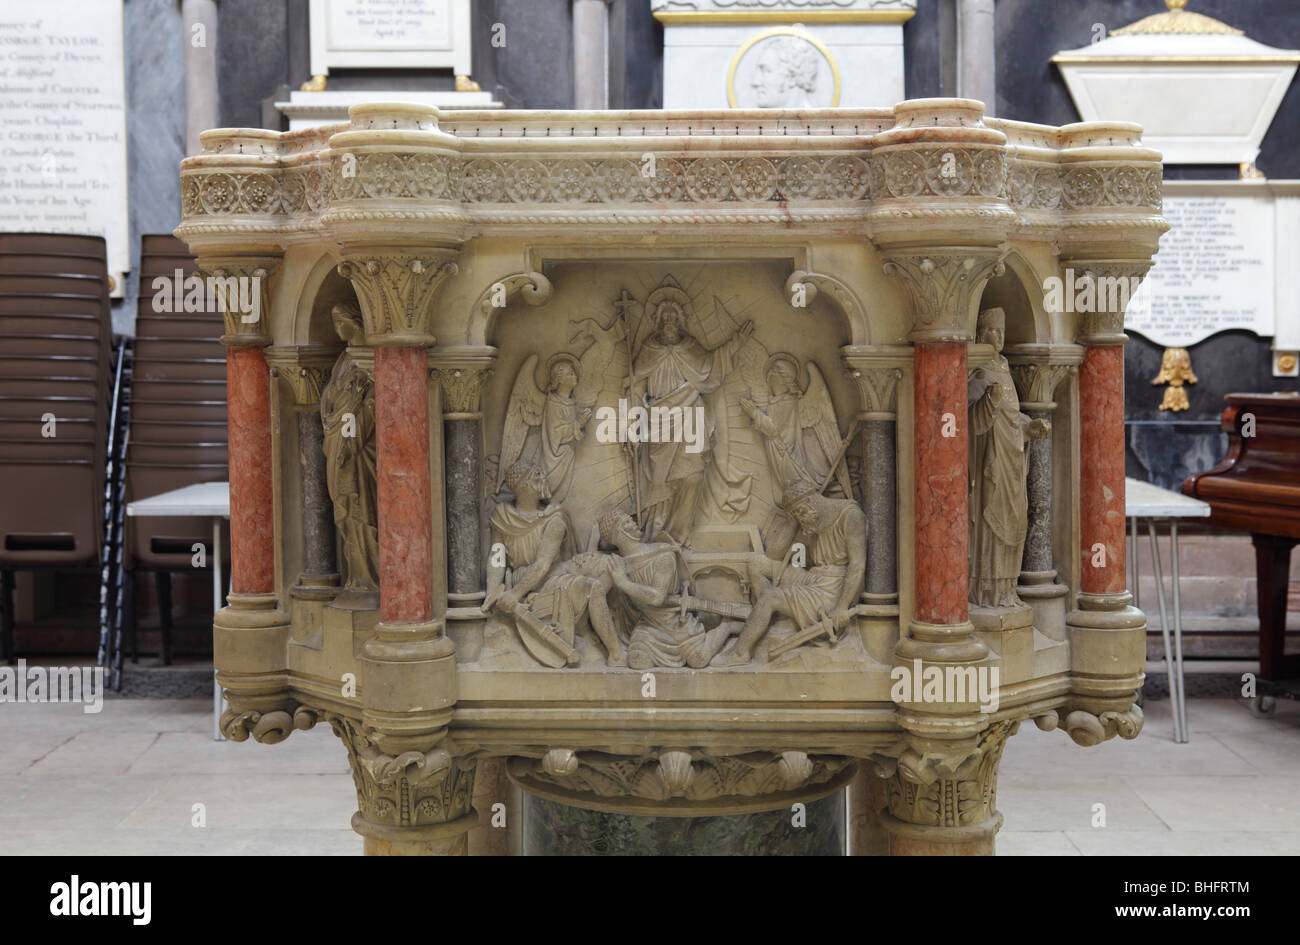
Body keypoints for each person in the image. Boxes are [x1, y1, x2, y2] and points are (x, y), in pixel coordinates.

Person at [486, 461, 626, 666]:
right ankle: (600, 641)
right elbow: (496, 556)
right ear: (523, 486)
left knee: (597, 583)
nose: (544, 480)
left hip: (549, 577)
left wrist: (514, 594)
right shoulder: (503, 517)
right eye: (537, 476)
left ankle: (612, 650)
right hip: (522, 580)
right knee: (593, 587)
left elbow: (543, 565)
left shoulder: (554, 518)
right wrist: (493, 593)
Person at [713, 480, 866, 666]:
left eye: (800, 517)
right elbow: (773, 554)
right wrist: (792, 521)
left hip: (832, 590)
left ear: (807, 506)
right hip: (813, 577)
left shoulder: (851, 516)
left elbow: (857, 565)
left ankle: (740, 653)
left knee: (770, 598)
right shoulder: (812, 516)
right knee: (757, 564)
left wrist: (841, 607)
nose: (802, 526)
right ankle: (767, 621)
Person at [968, 308, 1050, 608]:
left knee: (1014, 520)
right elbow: (970, 423)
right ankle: (987, 593)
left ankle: (1007, 590)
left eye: (1002, 331)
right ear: (980, 333)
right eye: (993, 331)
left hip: (1013, 462)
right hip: (989, 462)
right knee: (990, 524)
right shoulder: (977, 371)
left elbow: (1011, 419)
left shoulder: (1004, 367)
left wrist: (1031, 426)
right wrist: (988, 401)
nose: (999, 337)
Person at [320, 303, 378, 592]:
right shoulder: (344, 358)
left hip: (362, 450)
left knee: (363, 509)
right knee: (345, 513)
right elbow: (329, 398)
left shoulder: (369, 356)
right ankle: (357, 577)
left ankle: (373, 579)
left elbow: (374, 401)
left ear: (355, 322)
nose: (336, 327)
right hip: (337, 439)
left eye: (339, 320)